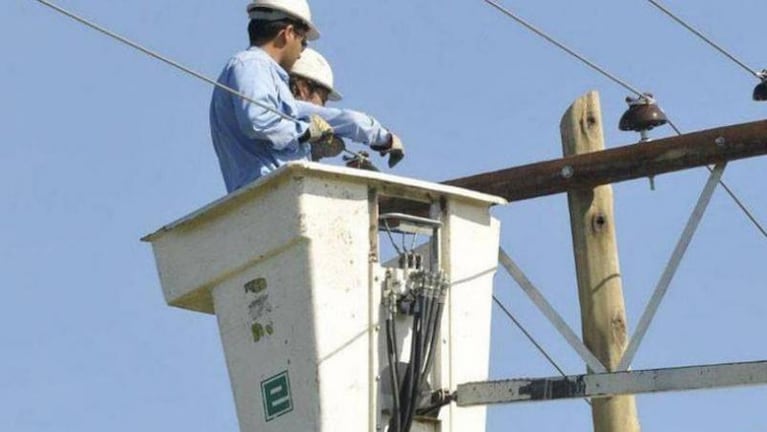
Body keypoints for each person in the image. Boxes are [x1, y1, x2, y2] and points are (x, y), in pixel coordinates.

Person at [209, 0, 403, 193]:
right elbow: (258, 122)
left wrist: (380, 136)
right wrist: (306, 132)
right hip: (267, 192)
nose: (302, 52)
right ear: (287, 33)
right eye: (303, 42)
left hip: (281, 191)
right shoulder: (251, 66)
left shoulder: (266, 76)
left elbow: (329, 118)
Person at [288, 48, 404, 168]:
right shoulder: (293, 109)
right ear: (302, 88)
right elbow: (353, 121)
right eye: (323, 99)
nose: (323, 107)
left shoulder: (282, 122)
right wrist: (386, 139)